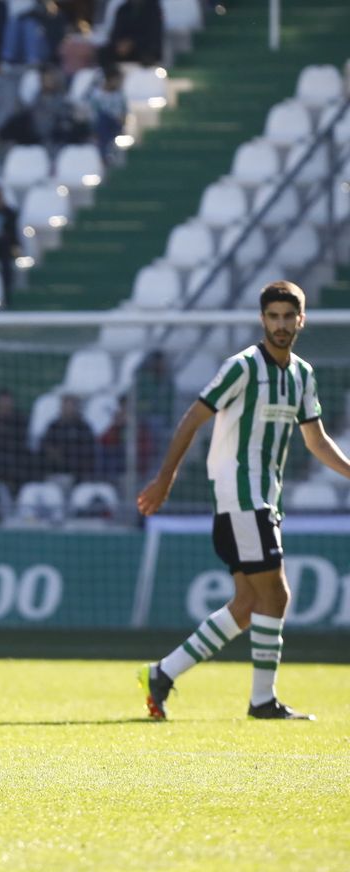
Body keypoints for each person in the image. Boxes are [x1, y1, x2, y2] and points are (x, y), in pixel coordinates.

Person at [136, 281, 350, 722]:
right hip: (240, 498)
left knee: (247, 605)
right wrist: (164, 478)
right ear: (262, 319)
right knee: (276, 594)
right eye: (273, 316)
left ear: (301, 320)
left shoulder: (302, 376)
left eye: (289, 317)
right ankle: (262, 701)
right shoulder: (242, 367)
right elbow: (192, 419)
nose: (281, 324)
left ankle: (162, 673)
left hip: (263, 501)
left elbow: (317, 440)